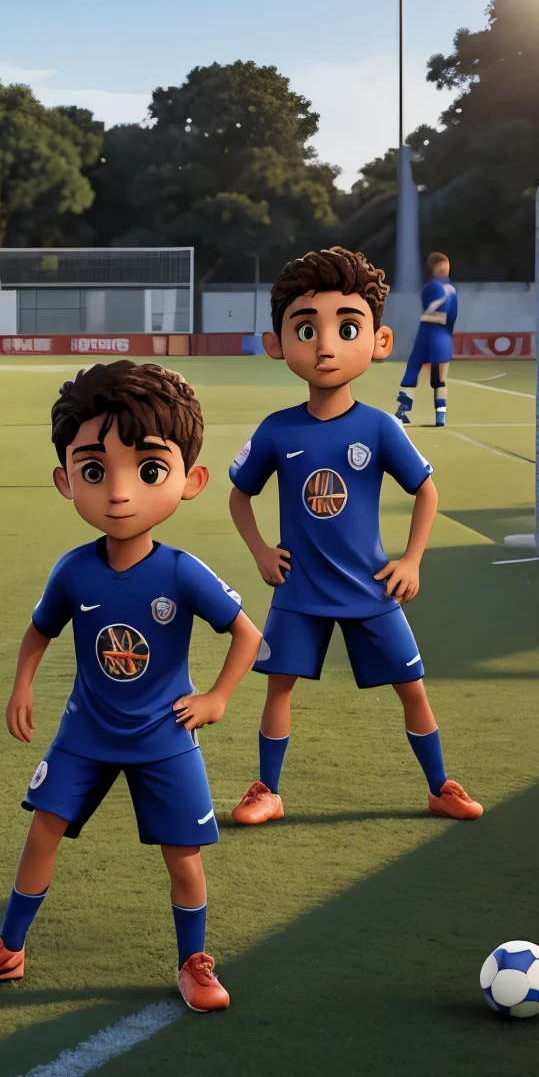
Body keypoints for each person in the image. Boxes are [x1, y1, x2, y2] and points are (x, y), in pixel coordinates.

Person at [0, 362, 262, 1012]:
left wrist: (217, 698)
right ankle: (8, 947)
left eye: (147, 471)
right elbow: (40, 631)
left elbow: (248, 635)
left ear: (190, 481)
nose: (118, 493)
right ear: (66, 479)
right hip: (85, 733)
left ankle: (193, 961)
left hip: (164, 735)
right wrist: (22, 685)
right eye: (94, 471)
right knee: (43, 832)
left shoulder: (182, 573)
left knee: (182, 857)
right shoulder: (74, 573)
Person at [227, 246, 482, 828]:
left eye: (346, 328)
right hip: (299, 591)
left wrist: (412, 561)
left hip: (370, 588)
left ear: (379, 341)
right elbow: (240, 494)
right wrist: (262, 551)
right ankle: (267, 790)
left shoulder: (379, 426)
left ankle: (439, 785)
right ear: (277, 344)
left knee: (412, 687)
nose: (326, 346)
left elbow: (427, 490)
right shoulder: (276, 430)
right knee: (279, 689)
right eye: (306, 329)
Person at [395, 252, 457, 427]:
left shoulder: (429, 289)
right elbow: (451, 317)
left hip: (427, 334)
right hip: (441, 336)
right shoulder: (450, 290)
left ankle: (403, 410)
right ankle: (440, 417)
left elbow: (429, 312)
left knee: (413, 369)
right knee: (439, 379)